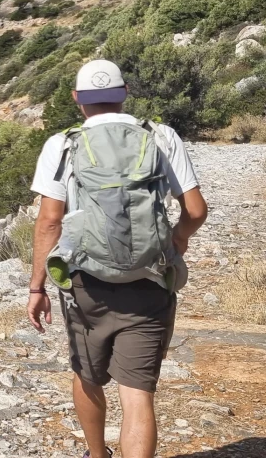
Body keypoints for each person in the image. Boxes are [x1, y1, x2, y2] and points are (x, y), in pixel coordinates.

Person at [26, 59, 210, 458]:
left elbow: (49, 222)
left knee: (87, 374)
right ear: (125, 93)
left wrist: (37, 286)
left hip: (86, 285)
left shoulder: (62, 144)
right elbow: (195, 210)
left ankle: (97, 454)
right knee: (138, 394)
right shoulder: (161, 137)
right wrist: (177, 241)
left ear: (77, 100)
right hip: (148, 280)